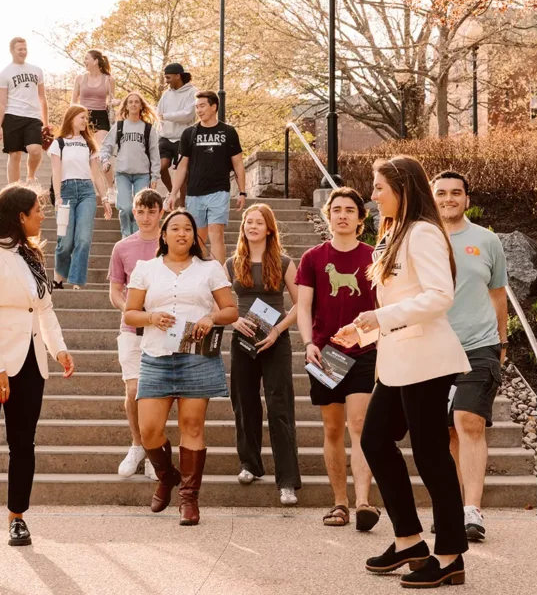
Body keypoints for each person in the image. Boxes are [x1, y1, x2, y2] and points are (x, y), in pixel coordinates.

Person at [333, 156, 471, 589]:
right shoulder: (395, 233)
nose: (372, 196)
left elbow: (439, 296)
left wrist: (380, 316)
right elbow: (398, 303)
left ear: (402, 189)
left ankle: (449, 555)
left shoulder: (424, 232)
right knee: (373, 438)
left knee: (431, 454)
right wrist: (363, 329)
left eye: (378, 187)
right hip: (397, 362)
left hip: (427, 360)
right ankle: (409, 539)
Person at [0, 184, 75, 549]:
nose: (42, 215)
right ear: (20, 216)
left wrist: (59, 349)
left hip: (30, 362)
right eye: (38, 209)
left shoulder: (32, 255)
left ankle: (17, 519)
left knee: (23, 443)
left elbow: (45, 309)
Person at [124, 209, 238, 525]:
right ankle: (167, 475)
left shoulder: (210, 268)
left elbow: (231, 310)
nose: (182, 233)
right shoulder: (146, 269)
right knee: (148, 430)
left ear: (194, 235)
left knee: (192, 426)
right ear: (164, 234)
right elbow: (130, 314)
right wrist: (151, 317)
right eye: (175, 228)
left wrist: (210, 317)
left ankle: (189, 500)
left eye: (188, 228)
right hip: (156, 357)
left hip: (197, 356)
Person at [296, 187, 380, 531]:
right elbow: (303, 306)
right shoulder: (313, 258)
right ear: (327, 216)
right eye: (337, 209)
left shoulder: (374, 257)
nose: (343, 215)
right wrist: (307, 343)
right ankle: (339, 503)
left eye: (350, 210)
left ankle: (363, 502)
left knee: (359, 425)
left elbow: (382, 308)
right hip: (325, 353)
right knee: (332, 428)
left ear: (361, 219)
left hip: (364, 351)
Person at [432, 170, 508, 542]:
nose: (449, 199)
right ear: (432, 197)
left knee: (469, 421)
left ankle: (472, 510)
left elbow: (498, 295)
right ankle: (452, 507)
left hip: (479, 346)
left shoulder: (487, 240)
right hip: (431, 349)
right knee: (446, 431)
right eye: (442, 193)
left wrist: (502, 343)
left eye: (456, 193)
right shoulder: (422, 238)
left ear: (467, 198)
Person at [226, 204, 301, 505]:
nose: (252, 226)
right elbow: (217, 303)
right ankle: (250, 465)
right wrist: (233, 319)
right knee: (244, 403)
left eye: (259, 222)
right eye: (248, 222)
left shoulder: (283, 262)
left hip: (275, 340)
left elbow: (300, 305)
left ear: (269, 228)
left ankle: (287, 481)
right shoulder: (232, 263)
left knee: (279, 406)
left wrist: (277, 331)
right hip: (242, 339)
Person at [108, 187, 163, 480]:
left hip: (162, 329)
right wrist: (128, 309)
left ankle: (155, 450)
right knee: (133, 390)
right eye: (140, 211)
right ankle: (137, 444)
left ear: (160, 213)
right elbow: (116, 291)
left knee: (156, 394)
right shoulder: (122, 247)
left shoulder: (170, 245)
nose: (145, 217)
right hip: (131, 328)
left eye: (151, 211)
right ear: (133, 212)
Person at [166, 90, 246, 264]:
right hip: (194, 193)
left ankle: (219, 275)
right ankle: (198, 275)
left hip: (219, 190)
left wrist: (242, 192)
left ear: (214, 106)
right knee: (197, 237)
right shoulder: (189, 133)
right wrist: (173, 193)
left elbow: (238, 163)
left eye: (202, 106)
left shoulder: (228, 131)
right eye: (197, 107)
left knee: (216, 233)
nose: (199, 110)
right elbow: (182, 166)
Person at [49, 106, 112, 290]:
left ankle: (76, 280)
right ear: (71, 118)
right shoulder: (58, 143)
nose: (86, 121)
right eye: (82, 117)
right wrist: (58, 196)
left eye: (86, 118)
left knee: (83, 239)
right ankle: (58, 277)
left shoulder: (89, 143)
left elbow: (96, 175)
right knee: (65, 242)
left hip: (86, 192)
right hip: (66, 191)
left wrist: (105, 198)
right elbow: (56, 171)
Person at [99, 91, 161, 238]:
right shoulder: (119, 126)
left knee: (140, 208)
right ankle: (126, 237)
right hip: (123, 174)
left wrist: (155, 176)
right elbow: (106, 145)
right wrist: (105, 159)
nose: (133, 104)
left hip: (142, 174)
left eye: (136, 102)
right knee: (126, 208)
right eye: (130, 102)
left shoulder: (148, 128)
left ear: (141, 106)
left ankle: (137, 237)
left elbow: (154, 154)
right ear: (126, 106)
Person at [0, 37, 50, 185]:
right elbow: (1, 103)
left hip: (33, 117)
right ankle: (14, 188)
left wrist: (46, 123)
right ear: (12, 51)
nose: (23, 52)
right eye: (20, 49)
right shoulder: (4, 74)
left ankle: (31, 176)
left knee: (35, 150)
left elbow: (42, 98)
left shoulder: (36, 71)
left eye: (25, 49)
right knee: (15, 155)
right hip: (12, 116)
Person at [157, 62, 196, 198]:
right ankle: (172, 193)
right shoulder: (166, 95)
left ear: (178, 76)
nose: (166, 81)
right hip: (166, 137)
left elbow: (188, 115)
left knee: (183, 173)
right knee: (161, 167)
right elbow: (158, 115)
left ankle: (182, 204)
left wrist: (166, 116)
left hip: (183, 138)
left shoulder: (192, 92)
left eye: (168, 78)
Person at [72, 49, 115, 146]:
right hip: (83, 115)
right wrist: (72, 116)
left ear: (95, 61)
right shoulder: (80, 78)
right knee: (84, 149)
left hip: (101, 117)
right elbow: (73, 101)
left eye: (86, 59)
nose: (84, 61)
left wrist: (116, 102)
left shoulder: (109, 80)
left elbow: (111, 101)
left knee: (99, 149)